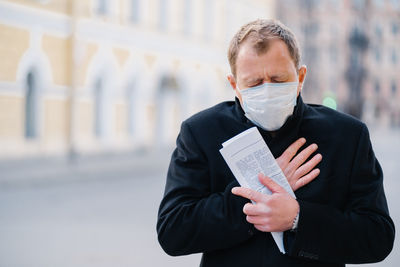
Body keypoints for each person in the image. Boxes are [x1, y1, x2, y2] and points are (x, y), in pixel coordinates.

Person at [156, 19, 395, 267]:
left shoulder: (347, 136)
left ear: (300, 76)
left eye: (278, 80)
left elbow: (378, 236)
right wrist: (259, 192)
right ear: (234, 84)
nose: (267, 89)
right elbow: (172, 231)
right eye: (254, 82)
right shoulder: (201, 132)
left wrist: (298, 218)